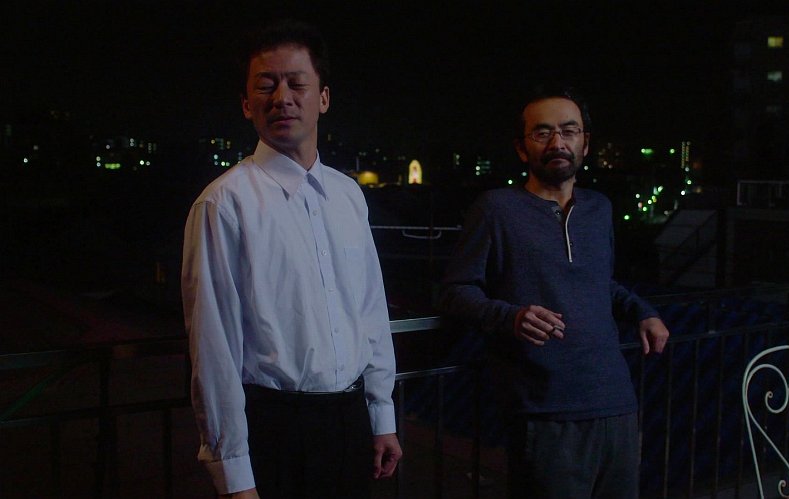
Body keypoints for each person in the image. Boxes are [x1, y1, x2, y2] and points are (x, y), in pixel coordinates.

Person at [181, 20, 401, 498]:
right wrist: (234, 475)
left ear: (323, 97)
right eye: (266, 85)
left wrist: (382, 415)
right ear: (247, 104)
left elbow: (370, 311)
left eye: (297, 83)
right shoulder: (224, 203)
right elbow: (214, 346)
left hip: (351, 422)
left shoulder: (347, 195)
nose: (282, 98)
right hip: (275, 428)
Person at [438, 85, 669, 499]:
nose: (557, 142)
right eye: (542, 132)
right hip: (544, 410)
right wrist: (512, 317)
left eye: (569, 130)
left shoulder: (599, 208)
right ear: (521, 147)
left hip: (616, 402)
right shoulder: (495, 209)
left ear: (585, 143)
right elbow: (456, 292)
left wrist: (643, 311)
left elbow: (601, 282)